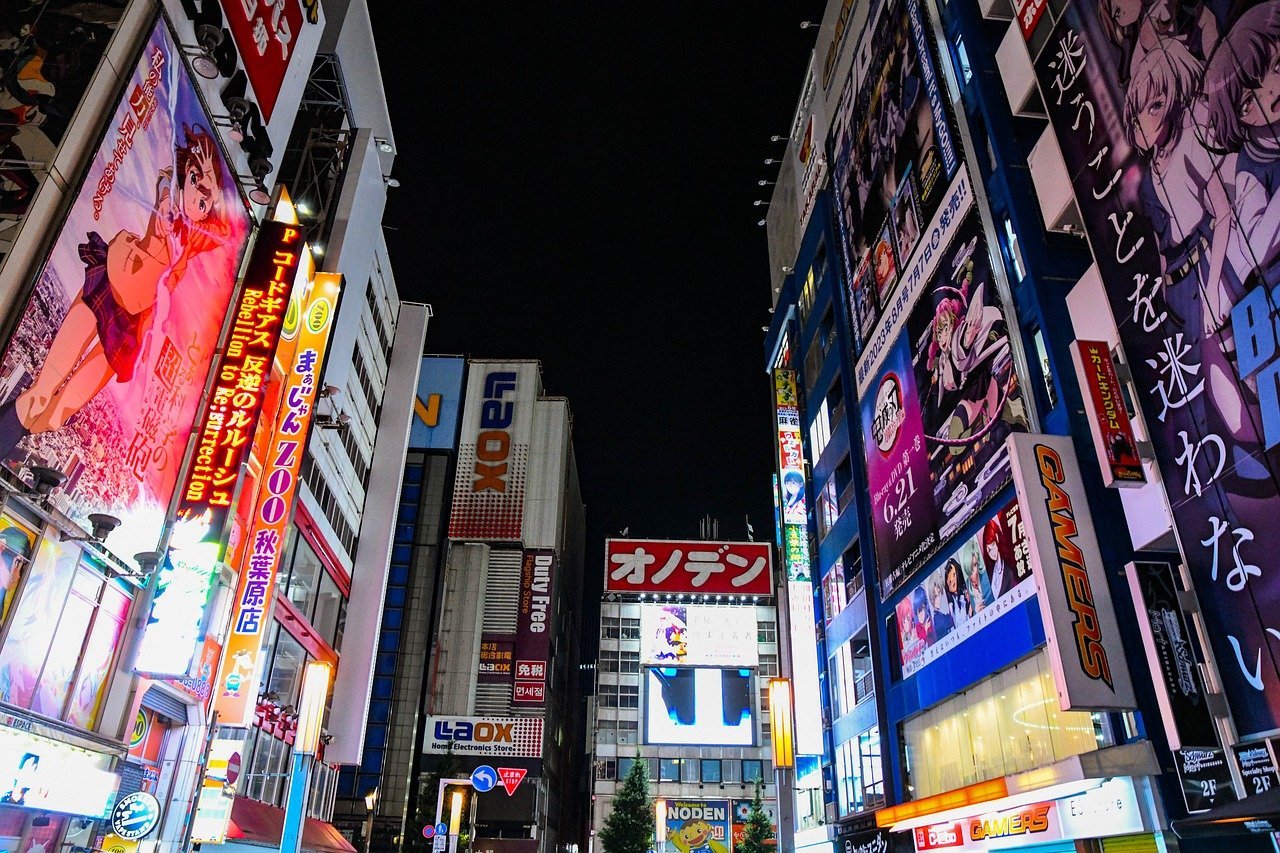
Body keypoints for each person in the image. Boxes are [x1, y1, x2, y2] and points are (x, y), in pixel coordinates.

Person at [0, 124, 233, 458]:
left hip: (130, 327)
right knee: (40, 391)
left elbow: (222, 227)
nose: (195, 191)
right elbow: (165, 181)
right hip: (107, 287)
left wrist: (207, 199)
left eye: (205, 194)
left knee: (56, 415)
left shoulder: (196, 237)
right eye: (193, 178)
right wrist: (170, 193)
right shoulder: (167, 202)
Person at [982, 515, 1017, 599]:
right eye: (988, 550)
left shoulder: (1009, 568)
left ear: (997, 539)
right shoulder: (989, 571)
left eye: (992, 546)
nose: (991, 553)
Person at [943, 558, 972, 627]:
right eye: (949, 578)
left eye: (954, 574)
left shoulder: (967, 593)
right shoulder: (949, 605)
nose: (952, 580)